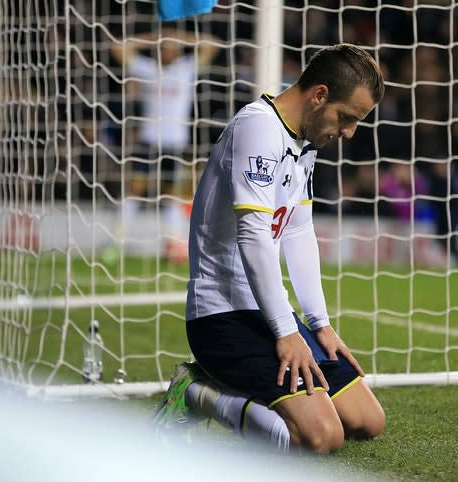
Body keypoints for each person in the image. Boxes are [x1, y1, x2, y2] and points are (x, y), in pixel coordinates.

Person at [154, 44, 386, 454]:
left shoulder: (303, 141)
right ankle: (195, 392)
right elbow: (254, 235)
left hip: (264, 310)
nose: (349, 132)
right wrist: (285, 330)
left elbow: (298, 230)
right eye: (347, 117)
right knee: (320, 438)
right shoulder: (258, 128)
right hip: (221, 315)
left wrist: (318, 322)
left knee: (368, 421)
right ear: (319, 95)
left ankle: (258, 388)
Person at [103, 27, 219, 264]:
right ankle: (115, 244)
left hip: (175, 145)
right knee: (134, 192)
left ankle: (173, 247)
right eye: (164, 47)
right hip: (148, 142)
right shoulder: (148, 70)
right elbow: (117, 48)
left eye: (172, 47)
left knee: (172, 197)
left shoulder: (185, 68)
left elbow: (213, 44)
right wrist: (153, 37)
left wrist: (179, 36)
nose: (168, 51)